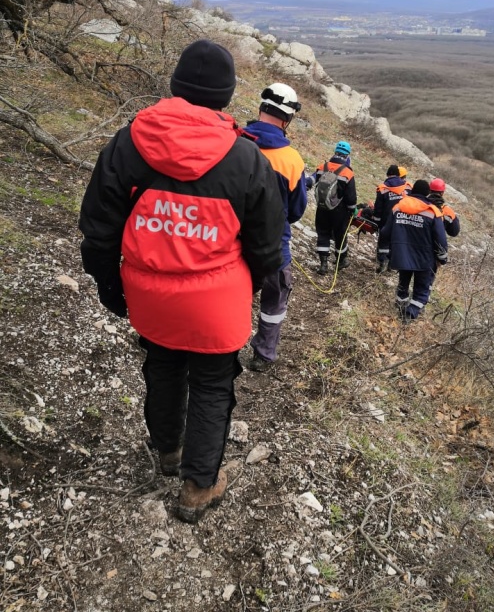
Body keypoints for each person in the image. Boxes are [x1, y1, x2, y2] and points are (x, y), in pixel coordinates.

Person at [79, 39, 284, 523]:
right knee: (213, 385)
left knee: (163, 366)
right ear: (226, 95)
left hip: (150, 297)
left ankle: (168, 453)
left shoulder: (128, 143)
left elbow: (99, 229)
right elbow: (266, 247)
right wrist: (244, 290)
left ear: (175, 86)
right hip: (217, 303)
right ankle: (199, 487)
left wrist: (113, 288)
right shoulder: (247, 160)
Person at [243, 83, 308, 372]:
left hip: (228, 239)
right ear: (288, 119)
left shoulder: (236, 142)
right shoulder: (292, 161)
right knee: (274, 298)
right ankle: (264, 353)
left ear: (261, 108)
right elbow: (295, 211)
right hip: (272, 246)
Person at [378, 179, 448, 322]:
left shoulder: (398, 207)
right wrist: (442, 257)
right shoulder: (432, 211)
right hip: (424, 258)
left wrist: (388, 251)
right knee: (421, 289)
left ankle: (401, 305)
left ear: (413, 191)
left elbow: (385, 232)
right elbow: (440, 239)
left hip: (401, 255)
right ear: (427, 193)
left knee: (403, 283)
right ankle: (410, 314)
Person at [306, 140, 357, 274]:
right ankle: (341, 261)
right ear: (347, 156)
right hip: (340, 211)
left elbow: (312, 180)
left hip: (322, 207)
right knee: (340, 235)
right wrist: (352, 210)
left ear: (335, 152)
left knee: (323, 233)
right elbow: (351, 197)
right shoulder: (348, 173)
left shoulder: (323, 166)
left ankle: (323, 265)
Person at [374, 165, 412, 273]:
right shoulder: (408, 187)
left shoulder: (383, 188)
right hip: (403, 219)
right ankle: (392, 264)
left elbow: (378, 208)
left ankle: (382, 262)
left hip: (386, 220)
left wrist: (376, 221)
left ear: (388, 174)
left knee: (383, 242)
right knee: (396, 242)